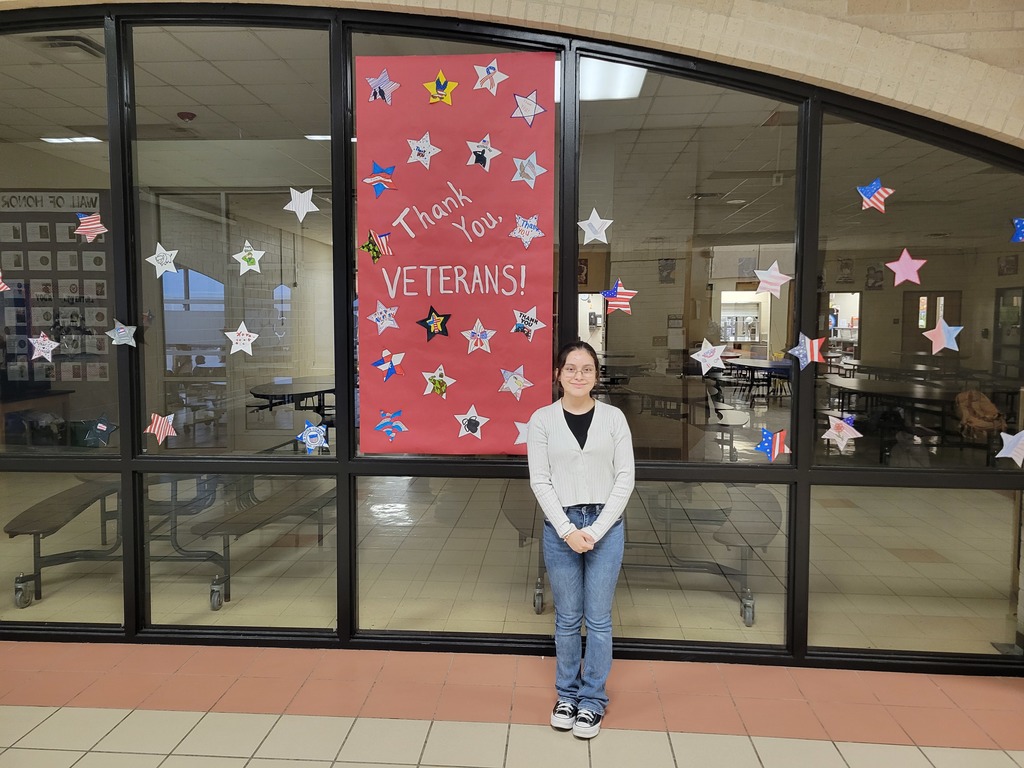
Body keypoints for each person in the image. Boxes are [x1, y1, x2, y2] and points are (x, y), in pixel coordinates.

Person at [526, 340, 635, 739]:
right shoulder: (542, 420)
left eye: (586, 369)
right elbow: (540, 479)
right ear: (558, 374)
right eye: (570, 368)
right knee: (568, 619)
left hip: (606, 523)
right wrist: (569, 530)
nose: (578, 375)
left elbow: (625, 478)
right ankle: (567, 696)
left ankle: (592, 701)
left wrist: (596, 529)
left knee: (599, 620)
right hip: (561, 526)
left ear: (596, 375)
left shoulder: (613, 418)